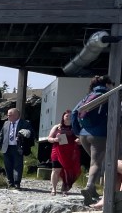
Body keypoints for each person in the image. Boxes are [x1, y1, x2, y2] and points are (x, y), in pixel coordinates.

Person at [73, 75, 114, 205]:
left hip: (84, 134)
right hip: (99, 134)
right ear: (107, 84)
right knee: (96, 163)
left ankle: (93, 190)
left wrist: (77, 131)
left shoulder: (87, 97)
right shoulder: (109, 95)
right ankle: (89, 187)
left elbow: (74, 112)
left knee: (95, 162)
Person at [0, 107, 33, 190]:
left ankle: (17, 183)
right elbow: (1, 135)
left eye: (9, 115)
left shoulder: (25, 123)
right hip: (6, 147)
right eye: (8, 115)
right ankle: (10, 183)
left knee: (17, 166)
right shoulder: (6, 123)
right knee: (8, 166)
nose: (8, 117)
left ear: (16, 115)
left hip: (18, 147)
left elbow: (31, 133)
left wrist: (26, 133)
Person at [46, 112, 81, 196]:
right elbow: (49, 138)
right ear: (63, 117)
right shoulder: (57, 127)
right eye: (67, 116)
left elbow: (81, 140)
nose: (68, 117)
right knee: (55, 170)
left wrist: (79, 141)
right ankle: (53, 189)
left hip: (70, 152)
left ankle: (64, 189)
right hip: (57, 151)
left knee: (68, 171)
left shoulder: (75, 127)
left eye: (70, 116)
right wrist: (55, 140)